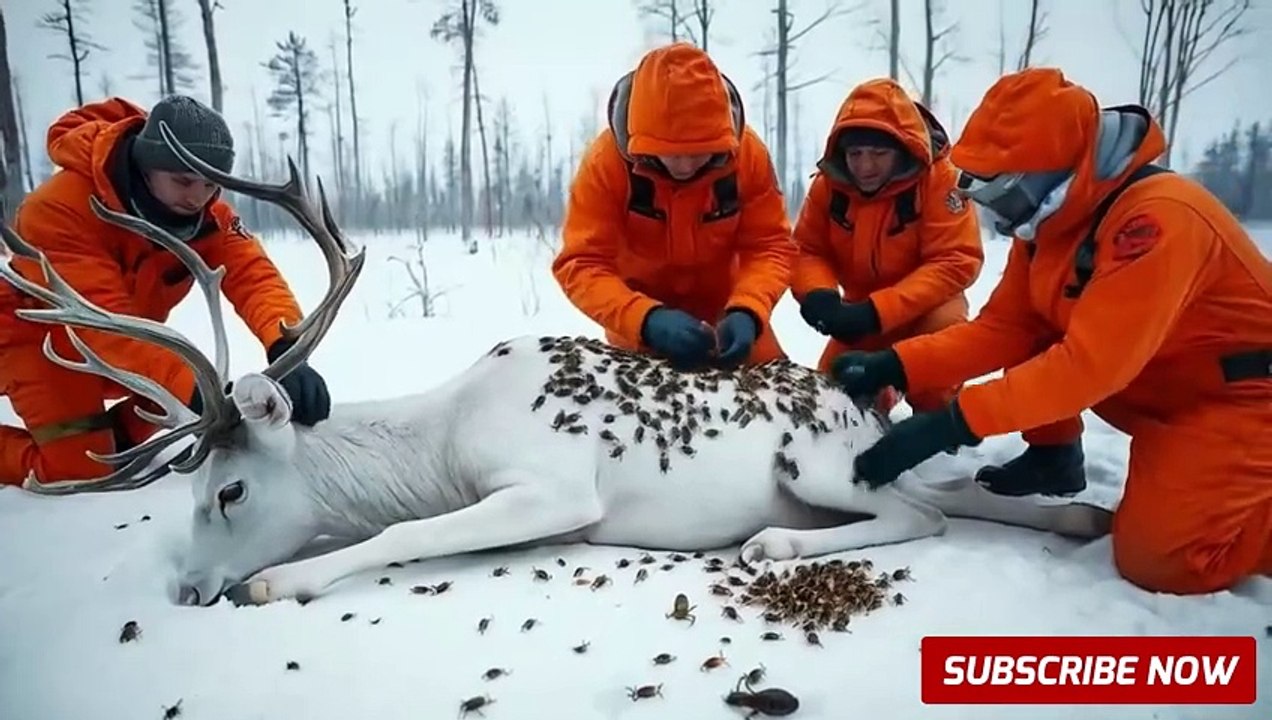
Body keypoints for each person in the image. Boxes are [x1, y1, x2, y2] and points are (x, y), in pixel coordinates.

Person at [834, 67, 1272, 595]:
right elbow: (1005, 329)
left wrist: (952, 423)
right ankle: (1079, 460)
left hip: (1236, 402)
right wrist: (896, 364)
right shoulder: (1051, 222)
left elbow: (1089, 367)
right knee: (1042, 331)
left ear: (1046, 173)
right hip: (1160, 394)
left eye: (1002, 193)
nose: (997, 214)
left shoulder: (1157, 222)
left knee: (1163, 561)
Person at [0, 95, 331, 486]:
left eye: (211, 183)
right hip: (37, 340)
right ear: (145, 166)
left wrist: (286, 347)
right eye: (183, 181)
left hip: (125, 347)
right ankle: (82, 444)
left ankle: (105, 435)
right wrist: (195, 391)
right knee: (80, 470)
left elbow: (255, 276)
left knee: (167, 398)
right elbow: (107, 323)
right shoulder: (59, 210)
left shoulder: (209, 217)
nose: (198, 197)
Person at [551, 43, 795, 370]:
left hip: (729, 320)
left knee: (781, 402)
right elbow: (581, 263)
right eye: (669, 153)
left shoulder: (748, 157)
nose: (684, 166)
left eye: (700, 152)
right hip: (640, 324)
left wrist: (749, 310)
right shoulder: (604, 164)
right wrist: (646, 319)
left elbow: (770, 246)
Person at [789, 78, 988, 419]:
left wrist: (878, 310)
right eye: (855, 154)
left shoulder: (940, 180)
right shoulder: (829, 186)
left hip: (926, 312)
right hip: (858, 317)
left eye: (879, 153)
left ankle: (939, 420)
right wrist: (818, 294)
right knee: (829, 395)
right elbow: (806, 250)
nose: (865, 167)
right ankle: (881, 391)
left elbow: (956, 261)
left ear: (903, 149)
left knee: (934, 372)